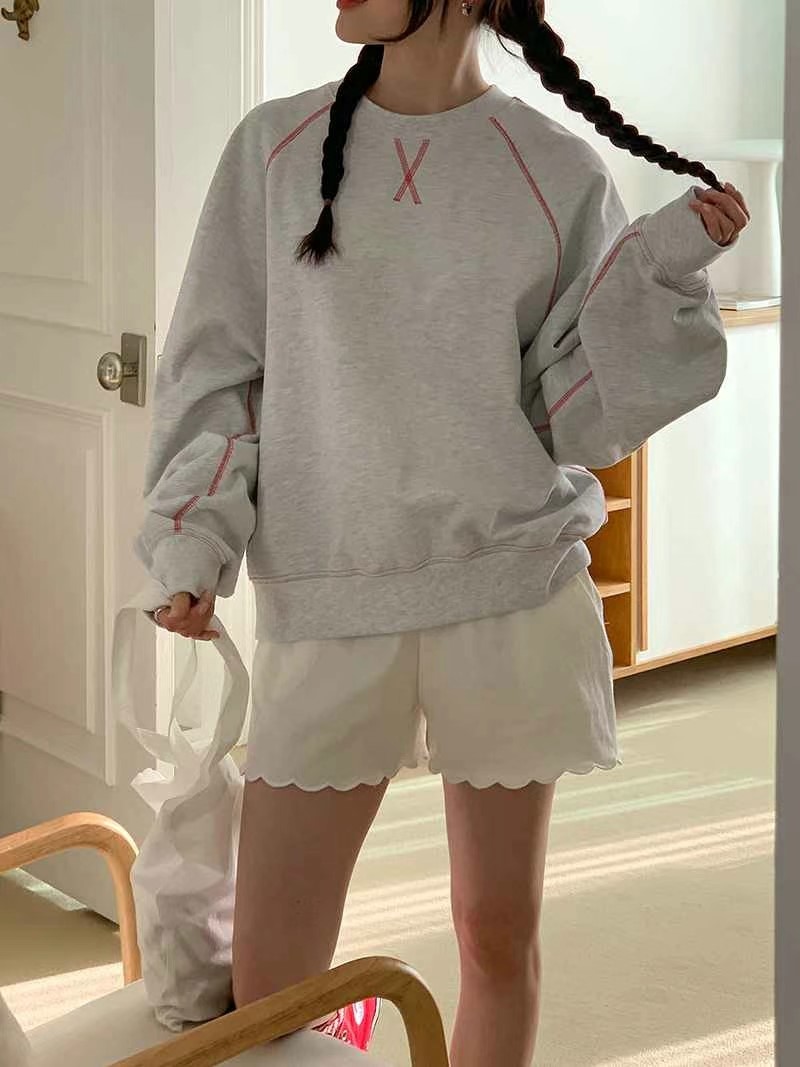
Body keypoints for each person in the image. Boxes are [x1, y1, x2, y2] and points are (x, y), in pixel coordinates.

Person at [136, 1, 750, 1063]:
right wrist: (195, 536)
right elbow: (215, 368)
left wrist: (655, 273)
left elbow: (572, 415)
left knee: (494, 934)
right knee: (272, 980)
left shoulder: (555, 168)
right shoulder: (273, 150)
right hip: (331, 591)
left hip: (510, 591)